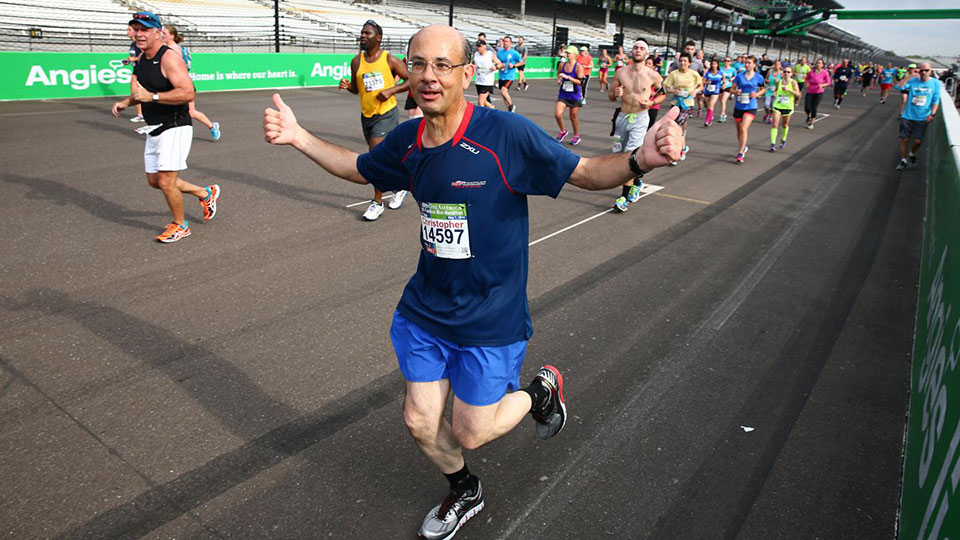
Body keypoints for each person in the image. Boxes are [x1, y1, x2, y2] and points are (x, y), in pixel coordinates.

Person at [262, 25, 683, 540]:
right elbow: (359, 167)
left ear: (466, 74)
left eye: (442, 65)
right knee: (420, 421)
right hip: (426, 308)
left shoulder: (506, 134)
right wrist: (298, 136)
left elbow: (586, 172)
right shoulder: (408, 140)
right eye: (418, 64)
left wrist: (642, 160)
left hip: (491, 314)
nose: (428, 76)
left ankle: (540, 392)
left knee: (471, 430)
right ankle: (466, 490)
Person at [110, 12, 220, 243]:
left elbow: (188, 92)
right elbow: (144, 92)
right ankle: (204, 193)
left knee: (166, 181)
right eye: (136, 29)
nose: (139, 34)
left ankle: (181, 225)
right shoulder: (142, 59)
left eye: (145, 30)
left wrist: (153, 97)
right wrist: (127, 102)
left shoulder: (169, 58)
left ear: (158, 32)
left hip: (176, 126)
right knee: (154, 181)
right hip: (154, 127)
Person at [338, 19, 410, 220]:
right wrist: (347, 85)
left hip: (386, 114)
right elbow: (356, 88)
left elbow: (410, 80)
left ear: (378, 38)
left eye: (367, 33)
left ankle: (377, 202)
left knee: (375, 155)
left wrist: (391, 91)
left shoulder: (389, 59)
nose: (362, 36)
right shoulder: (356, 61)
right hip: (367, 115)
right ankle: (399, 187)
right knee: (387, 156)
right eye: (361, 32)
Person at [608, 39, 664, 212]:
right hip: (622, 118)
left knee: (629, 156)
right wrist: (615, 93)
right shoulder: (620, 72)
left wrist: (651, 102)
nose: (638, 50)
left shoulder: (653, 75)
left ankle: (623, 198)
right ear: (631, 52)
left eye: (642, 48)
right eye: (635, 47)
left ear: (647, 53)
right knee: (618, 154)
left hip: (640, 119)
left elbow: (662, 95)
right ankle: (637, 182)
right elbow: (611, 96)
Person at [161, 25, 221, 141]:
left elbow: (179, 70)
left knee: (191, 112)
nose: (162, 35)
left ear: (172, 36)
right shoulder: (165, 49)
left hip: (182, 85)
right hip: (171, 85)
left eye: (164, 33)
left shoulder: (174, 50)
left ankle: (212, 126)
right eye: (161, 33)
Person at [895, 62, 941, 170]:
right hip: (908, 115)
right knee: (904, 139)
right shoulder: (913, 80)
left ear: (931, 72)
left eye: (926, 70)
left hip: (923, 117)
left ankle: (912, 153)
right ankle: (903, 160)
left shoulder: (935, 83)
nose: (923, 72)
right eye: (921, 70)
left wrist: (932, 114)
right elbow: (898, 86)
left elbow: (935, 100)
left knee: (917, 141)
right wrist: (910, 75)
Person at [663, 51, 702, 163]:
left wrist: (696, 91)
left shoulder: (693, 74)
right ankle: (683, 146)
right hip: (676, 102)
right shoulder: (674, 74)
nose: (682, 63)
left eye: (685, 61)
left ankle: (678, 152)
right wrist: (673, 90)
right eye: (681, 61)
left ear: (689, 63)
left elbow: (701, 85)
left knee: (678, 125)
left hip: (687, 103)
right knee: (676, 125)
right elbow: (665, 87)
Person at [729, 55, 765, 163]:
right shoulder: (739, 76)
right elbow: (731, 89)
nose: (747, 65)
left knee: (744, 128)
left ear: (754, 64)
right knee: (739, 130)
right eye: (746, 63)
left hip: (751, 106)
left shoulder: (759, 77)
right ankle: (743, 146)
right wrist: (736, 92)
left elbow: (764, 89)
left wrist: (757, 94)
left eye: (749, 63)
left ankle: (740, 152)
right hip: (739, 105)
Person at [555, 45, 585, 146]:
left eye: (569, 53)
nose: (567, 54)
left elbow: (580, 82)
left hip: (574, 95)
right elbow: (558, 74)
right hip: (563, 93)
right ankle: (563, 131)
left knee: (573, 117)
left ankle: (576, 135)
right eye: (566, 53)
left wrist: (568, 77)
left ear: (575, 55)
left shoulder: (578, 67)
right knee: (557, 114)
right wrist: (559, 80)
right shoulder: (562, 65)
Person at [769, 65, 801, 151]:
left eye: (788, 72)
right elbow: (776, 90)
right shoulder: (779, 82)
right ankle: (772, 144)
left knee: (785, 124)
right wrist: (775, 93)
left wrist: (789, 90)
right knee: (775, 124)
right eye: (785, 72)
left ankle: (783, 139)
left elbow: (798, 94)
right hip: (778, 105)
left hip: (787, 106)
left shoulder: (793, 82)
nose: (786, 73)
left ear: (791, 74)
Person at [496, 36, 522, 113]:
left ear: (510, 43)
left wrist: (514, 65)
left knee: (503, 91)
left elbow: (521, 62)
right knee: (504, 94)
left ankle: (511, 105)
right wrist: (498, 66)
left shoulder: (514, 53)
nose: (505, 43)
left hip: (510, 76)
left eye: (507, 41)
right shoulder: (500, 53)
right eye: (504, 41)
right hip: (501, 75)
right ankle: (509, 110)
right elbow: (497, 62)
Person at [803, 58, 831, 129]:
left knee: (814, 107)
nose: (818, 64)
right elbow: (806, 78)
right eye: (817, 62)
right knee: (807, 107)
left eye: (820, 63)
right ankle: (808, 116)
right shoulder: (811, 72)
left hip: (818, 92)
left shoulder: (825, 73)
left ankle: (811, 123)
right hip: (810, 91)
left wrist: (822, 85)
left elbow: (828, 82)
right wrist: (806, 83)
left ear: (822, 65)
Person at [472, 40, 500, 109]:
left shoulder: (490, 54)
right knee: (484, 101)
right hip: (479, 81)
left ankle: (482, 118)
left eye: (480, 46)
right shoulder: (476, 54)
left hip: (487, 82)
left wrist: (495, 67)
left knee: (480, 102)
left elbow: (500, 64)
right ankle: (493, 110)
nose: (479, 48)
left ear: (484, 46)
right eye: (477, 46)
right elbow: (473, 63)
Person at [702, 59, 725, 126]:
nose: (713, 65)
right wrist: (706, 82)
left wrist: (723, 84)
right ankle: (710, 116)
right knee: (708, 105)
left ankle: (707, 121)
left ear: (717, 65)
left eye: (715, 64)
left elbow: (724, 78)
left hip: (716, 90)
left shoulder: (720, 73)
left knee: (711, 104)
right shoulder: (708, 73)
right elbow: (703, 81)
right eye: (712, 64)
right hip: (708, 90)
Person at [718, 56, 737, 122]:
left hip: (728, 86)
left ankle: (722, 115)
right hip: (720, 85)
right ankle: (724, 113)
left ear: (730, 62)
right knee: (721, 101)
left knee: (723, 100)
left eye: (728, 61)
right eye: (725, 60)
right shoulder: (720, 69)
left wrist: (732, 78)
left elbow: (735, 76)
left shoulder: (732, 69)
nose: (726, 62)